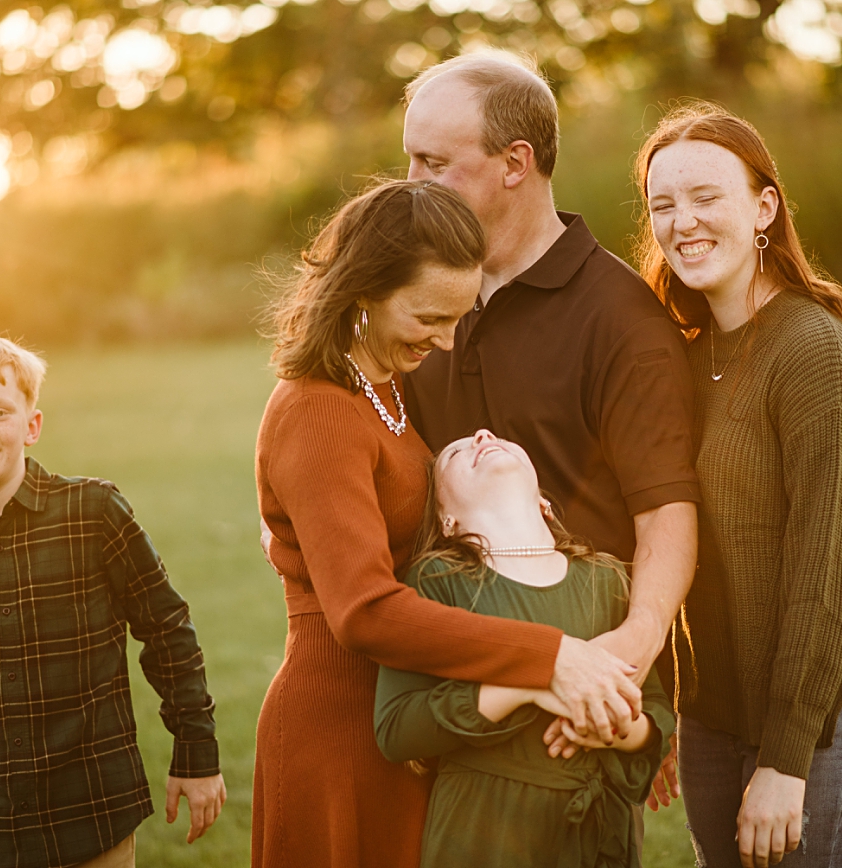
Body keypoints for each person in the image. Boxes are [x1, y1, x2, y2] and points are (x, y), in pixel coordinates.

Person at [253, 179, 642, 868]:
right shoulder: (318, 410)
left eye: (460, 316)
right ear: (363, 292)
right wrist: (551, 655)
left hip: (413, 714)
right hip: (345, 728)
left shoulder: (381, 385)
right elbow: (364, 611)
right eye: (431, 318)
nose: (447, 339)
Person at [399, 53, 699, 796]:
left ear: (515, 162)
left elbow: (665, 511)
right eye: (408, 157)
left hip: (576, 717)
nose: (410, 182)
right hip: (444, 699)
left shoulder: (621, 319)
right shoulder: (419, 295)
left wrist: (633, 653)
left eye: (434, 162)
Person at [634, 102, 842, 868]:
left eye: (705, 198)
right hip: (715, 719)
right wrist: (667, 709)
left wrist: (786, 760)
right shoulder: (686, 355)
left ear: (764, 208)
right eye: (663, 206)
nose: (682, 222)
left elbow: (828, 572)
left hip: (819, 724)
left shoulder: (814, 355)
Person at [0, 328, 225, 868]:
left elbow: (167, 629)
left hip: (92, 816)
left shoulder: (93, 514)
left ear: (32, 424)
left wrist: (196, 753)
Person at [374, 429, 673, 868]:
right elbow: (397, 728)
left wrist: (614, 728)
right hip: (484, 831)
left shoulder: (605, 581)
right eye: (456, 451)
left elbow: (656, 713)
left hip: (596, 836)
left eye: (495, 437)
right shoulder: (438, 581)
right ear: (447, 521)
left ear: (542, 503)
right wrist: (529, 685)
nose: (482, 435)